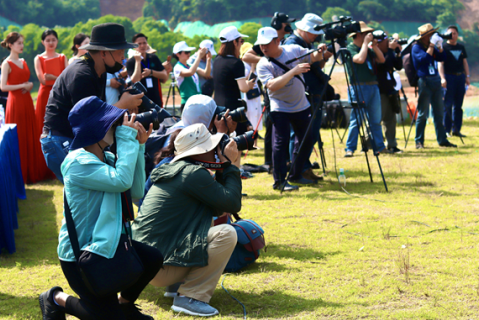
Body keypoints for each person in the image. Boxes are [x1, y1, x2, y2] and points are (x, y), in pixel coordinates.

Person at [39, 96, 163, 320]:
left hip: (107, 245)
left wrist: (138, 145)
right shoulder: (78, 164)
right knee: (103, 317)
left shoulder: (106, 158)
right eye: (112, 123)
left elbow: (134, 190)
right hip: (82, 257)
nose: (117, 127)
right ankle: (55, 298)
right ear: (96, 129)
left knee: (152, 258)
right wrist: (127, 138)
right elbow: (121, 181)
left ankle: (123, 306)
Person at [132, 123, 241, 317]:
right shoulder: (192, 174)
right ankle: (191, 297)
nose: (215, 152)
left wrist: (223, 168)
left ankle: (178, 285)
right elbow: (232, 204)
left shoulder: (178, 169)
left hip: (144, 262)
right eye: (211, 147)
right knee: (226, 233)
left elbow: (219, 206)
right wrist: (231, 166)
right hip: (158, 266)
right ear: (200, 151)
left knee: (203, 220)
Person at [41, 23, 144, 184]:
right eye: (119, 52)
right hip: (60, 139)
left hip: (69, 137)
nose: (123, 57)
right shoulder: (81, 74)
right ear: (103, 53)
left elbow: (97, 112)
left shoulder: (98, 70)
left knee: (86, 199)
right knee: (85, 197)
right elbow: (89, 120)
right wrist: (122, 104)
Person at [256, 27, 324, 191]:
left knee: (307, 140)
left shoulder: (293, 50)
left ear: (277, 41)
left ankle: (295, 175)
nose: (263, 48)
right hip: (279, 107)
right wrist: (294, 70)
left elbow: (313, 57)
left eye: (266, 44)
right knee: (280, 143)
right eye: (260, 45)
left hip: (301, 105)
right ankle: (279, 181)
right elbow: (272, 86)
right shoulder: (263, 64)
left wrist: (320, 51)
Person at [242, 12, 296, 171]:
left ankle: (284, 160)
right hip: (272, 91)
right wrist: (268, 61)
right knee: (273, 127)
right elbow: (246, 56)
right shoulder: (265, 42)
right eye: (287, 24)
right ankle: (270, 162)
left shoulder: (288, 41)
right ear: (279, 26)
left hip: (287, 90)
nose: (289, 26)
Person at [284, 13, 332, 181]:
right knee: (300, 135)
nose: (317, 36)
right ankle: (297, 170)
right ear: (304, 30)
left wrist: (322, 57)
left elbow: (315, 66)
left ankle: (303, 167)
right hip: (303, 94)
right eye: (314, 32)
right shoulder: (292, 44)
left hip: (311, 92)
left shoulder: (304, 42)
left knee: (309, 134)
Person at [0, 32, 51, 184]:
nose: (21, 46)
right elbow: (2, 86)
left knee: (29, 134)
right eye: (18, 43)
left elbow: (27, 81)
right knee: (19, 137)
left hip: (27, 101)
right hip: (15, 103)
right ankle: (19, 175)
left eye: (22, 43)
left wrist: (28, 85)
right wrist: (23, 85)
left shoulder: (24, 61)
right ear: (10, 45)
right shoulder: (6, 63)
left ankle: (31, 172)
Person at [344, 21, 387, 157]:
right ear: (358, 35)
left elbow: (382, 60)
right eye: (366, 34)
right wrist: (365, 45)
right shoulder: (349, 49)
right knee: (356, 120)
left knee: (375, 120)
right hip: (358, 87)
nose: (369, 35)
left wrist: (374, 46)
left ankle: (379, 146)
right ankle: (350, 148)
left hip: (373, 86)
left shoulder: (368, 49)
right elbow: (360, 59)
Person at [412, 23, 456, 149]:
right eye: (430, 35)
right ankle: (419, 141)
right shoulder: (417, 48)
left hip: (435, 80)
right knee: (423, 113)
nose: (432, 36)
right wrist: (432, 45)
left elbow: (442, 57)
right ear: (424, 37)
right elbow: (424, 59)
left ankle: (442, 140)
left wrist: (440, 46)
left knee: (438, 112)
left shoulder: (429, 46)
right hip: (424, 81)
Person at [214, 26, 255, 135]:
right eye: (241, 41)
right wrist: (249, 85)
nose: (242, 44)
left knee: (222, 143)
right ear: (234, 42)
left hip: (217, 107)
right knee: (236, 144)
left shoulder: (217, 60)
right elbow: (243, 88)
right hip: (233, 109)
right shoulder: (236, 63)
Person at [34, 29, 68, 135]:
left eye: (53, 40)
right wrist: (58, 78)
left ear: (57, 41)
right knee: (42, 125)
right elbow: (43, 80)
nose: (51, 43)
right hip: (45, 95)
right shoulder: (38, 58)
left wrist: (53, 77)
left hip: (60, 95)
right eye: (48, 40)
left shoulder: (62, 57)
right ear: (42, 42)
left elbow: (67, 79)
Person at [374, 30, 404, 153]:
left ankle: (392, 144)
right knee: (377, 118)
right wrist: (391, 51)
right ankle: (369, 143)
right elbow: (383, 65)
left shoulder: (389, 53)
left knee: (391, 118)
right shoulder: (375, 53)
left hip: (390, 89)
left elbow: (398, 66)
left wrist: (397, 52)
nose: (388, 43)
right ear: (378, 43)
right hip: (380, 90)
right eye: (386, 41)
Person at [439, 25, 470, 138]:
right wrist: (442, 78)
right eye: (450, 33)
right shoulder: (443, 47)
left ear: (457, 35)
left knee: (458, 105)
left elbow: (465, 62)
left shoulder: (461, 47)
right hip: (449, 78)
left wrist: (467, 76)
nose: (452, 35)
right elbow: (440, 64)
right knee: (448, 104)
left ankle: (456, 129)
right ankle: (446, 130)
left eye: (454, 33)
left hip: (460, 77)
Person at [126, 33, 168, 107]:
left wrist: (151, 72)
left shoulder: (153, 58)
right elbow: (135, 80)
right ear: (134, 46)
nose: (142, 46)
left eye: (144, 43)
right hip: (140, 103)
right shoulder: (131, 62)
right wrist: (138, 61)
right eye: (139, 44)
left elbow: (165, 76)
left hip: (156, 101)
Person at [172, 41, 210, 110]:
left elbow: (206, 74)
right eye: (186, 52)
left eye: (189, 52)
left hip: (197, 101)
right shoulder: (177, 67)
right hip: (188, 103)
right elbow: (190, 72)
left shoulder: (189, 65)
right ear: (178, 54)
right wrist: (199, 57)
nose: (189, 54)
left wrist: (209, 59)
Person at [240, 42, 262, 147]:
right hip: (248, 97)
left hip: (255, 96)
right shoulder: (244, 66)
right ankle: (250, 143)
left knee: (256, 119)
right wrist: (253, 67)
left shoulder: (254, 65)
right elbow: (248, 81)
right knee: (250, 119)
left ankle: (255, 143)